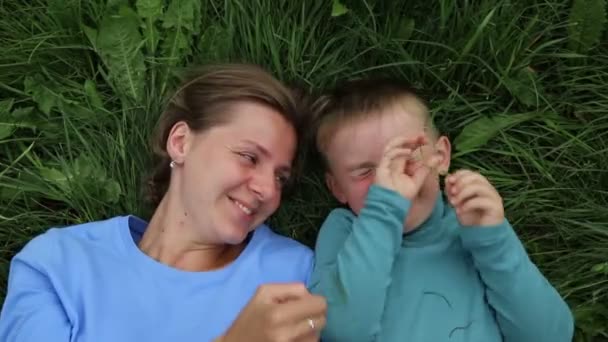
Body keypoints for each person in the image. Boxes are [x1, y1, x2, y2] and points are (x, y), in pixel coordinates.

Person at [0, 63, 327, 342]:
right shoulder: (57, 266)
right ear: (181, 142)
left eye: (280, 177)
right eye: (249, 156)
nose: (268, 190)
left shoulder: (297, 275)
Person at [308, 78, 574, 341]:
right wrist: (383, 209)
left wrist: (494, 241)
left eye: (407, 158)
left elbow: (552, 335)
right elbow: (340, 331)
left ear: (441, 157)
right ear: (337, 188)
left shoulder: (470, 227)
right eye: (366, 172)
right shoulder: (344, 230)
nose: (394, 180)